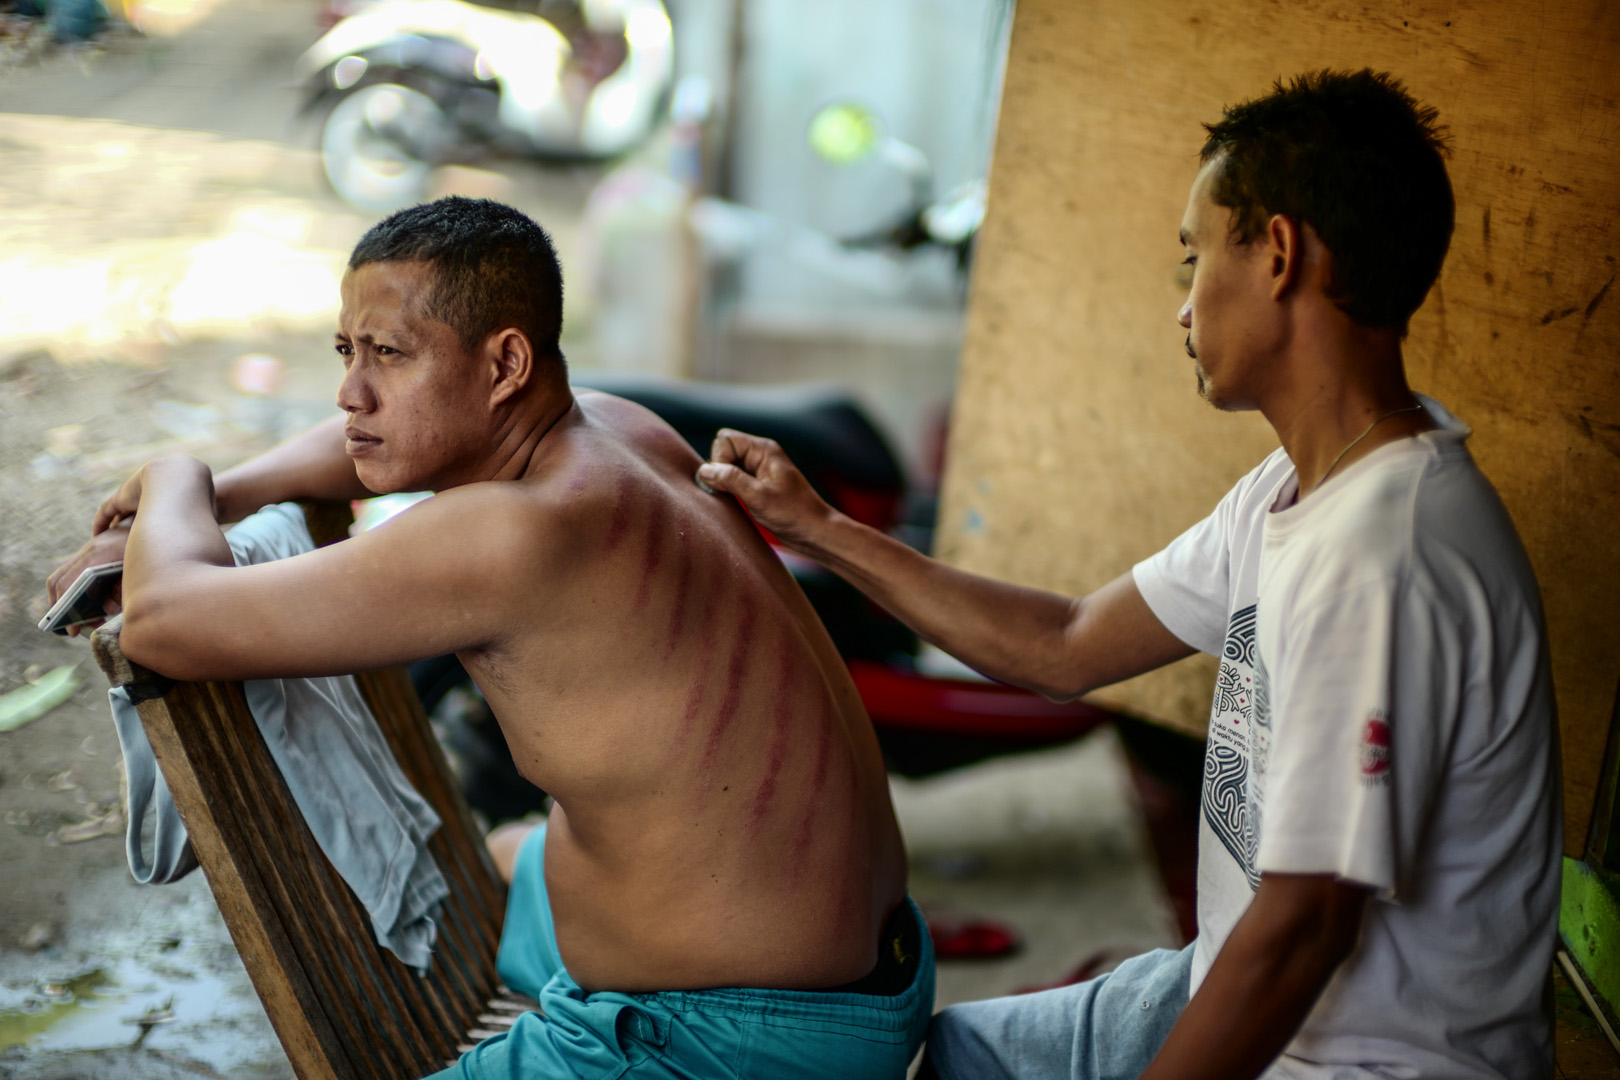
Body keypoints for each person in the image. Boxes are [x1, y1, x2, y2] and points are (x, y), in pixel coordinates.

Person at [695, 69, 1560, 1080]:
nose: (1183, 309)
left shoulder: (1384, 552)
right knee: (944, 1055)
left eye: (1196, 258)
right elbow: (1064, 643)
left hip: (1367, 1061)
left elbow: (1304, 927)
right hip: (1225, 981)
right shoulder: (1291, 491)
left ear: (1278, 255)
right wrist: (819, 528)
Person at [47, 197, 933, 1080]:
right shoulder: (619, 427)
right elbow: (357, 442)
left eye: (390, 354)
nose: (352, 393)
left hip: (730, 1035)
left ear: (506, 364)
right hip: (871, 967)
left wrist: (175, 476)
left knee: (506, 866)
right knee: (509, 854)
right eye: (347, 351)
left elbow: (164, 623)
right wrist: (231, 493)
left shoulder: (511, 533)